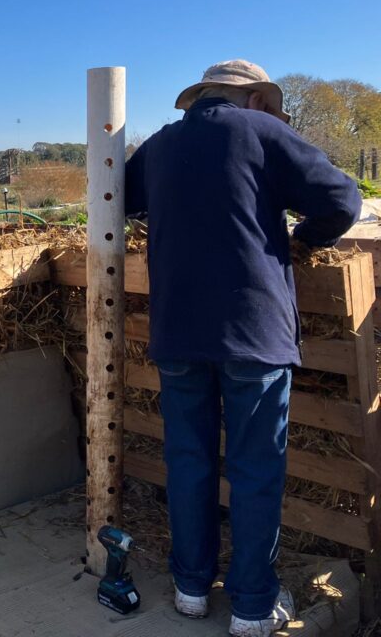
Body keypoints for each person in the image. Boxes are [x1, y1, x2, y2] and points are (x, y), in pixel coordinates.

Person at [124, 60, 360, 637]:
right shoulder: (262, 132)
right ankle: (253, 605)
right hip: (252, 331)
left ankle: (190, 587)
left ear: (200, 98)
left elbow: (123, 201)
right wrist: (304, 240)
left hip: (177, 330)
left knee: (188, 458)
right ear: (254, 98)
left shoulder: (159, 144)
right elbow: (343, 201)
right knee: (255, 466)